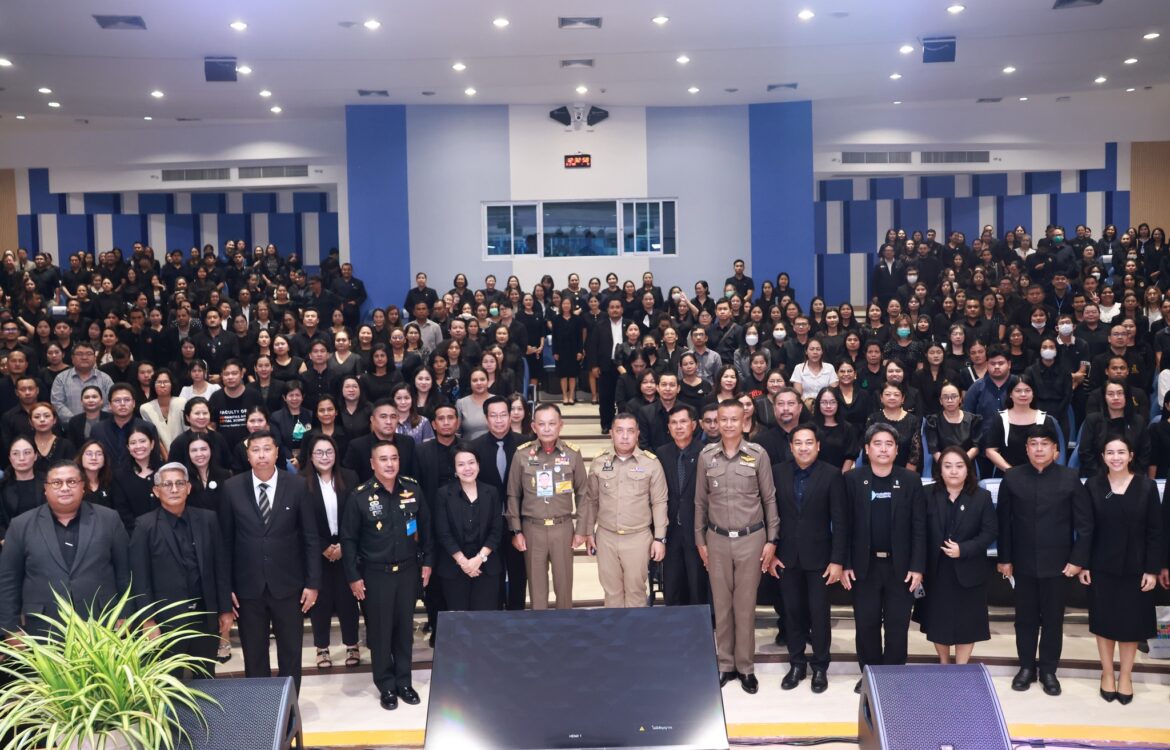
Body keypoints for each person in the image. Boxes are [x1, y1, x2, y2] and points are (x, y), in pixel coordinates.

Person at [996, 423, 1093, 696]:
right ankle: (1026, 667)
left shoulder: (1070, 478)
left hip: (1059, 565)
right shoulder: (1012, 478)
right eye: (1034, 444)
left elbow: (1085, 525)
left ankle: (1049, 670)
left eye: (1045, 444)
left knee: (1053, 619)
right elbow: (1004, 523)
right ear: (1026, 449)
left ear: (1056, 450)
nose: (1039, 449)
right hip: (1022, 563)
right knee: (1024, 619)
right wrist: (1005, 558)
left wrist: (1078, 560)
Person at [220, 430, 320, 692]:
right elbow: (225, 543)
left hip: (289, 585)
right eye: (255, 450)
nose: (261, 455)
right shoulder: (232, 488)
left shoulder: (297, 485)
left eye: (267, 449)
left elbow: (310, 537)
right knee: (254, 654)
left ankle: (289, 705)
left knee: (291, 652)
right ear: (248, 455)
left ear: (277, 452)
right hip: (248, 588)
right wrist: (227, 587)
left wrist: (313, 583)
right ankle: (260, 705)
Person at [694, 399, 779, 694]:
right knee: (721, 604)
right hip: (716, 540)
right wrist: (700, 540)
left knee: (744, 606)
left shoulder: (758, 455)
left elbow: (769, 499)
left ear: (744, 422)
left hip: (751, 539)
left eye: (734, 419)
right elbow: (700, 503)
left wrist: (771, 540)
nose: (728, 424)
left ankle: (745, 667)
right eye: (723, 419)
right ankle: (725, 664)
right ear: (716, 422)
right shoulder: (706, 456)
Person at [342, 440, 433, 711]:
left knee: (405, 630)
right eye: (383, 459)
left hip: (407, 571)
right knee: (380, 632)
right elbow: (348, 540)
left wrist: (428, 562)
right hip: (375, 575)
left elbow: (426, 528)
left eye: (394, 458)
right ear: (373, 464)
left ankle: (404, 682)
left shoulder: (413, 489)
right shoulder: (360, 496)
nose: (390, 463)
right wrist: (353, 577)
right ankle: (386, 685)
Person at [841, 423, 926, 694]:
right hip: (863, 566)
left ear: (897, 450)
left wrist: (917, 566)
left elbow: (919, 527)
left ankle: (893, 675)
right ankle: (870, 674)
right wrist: (845, 563)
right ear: (866, 449)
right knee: (866, 624)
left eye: (889, 444)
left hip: (900, 567)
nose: (883, 449)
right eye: (877, 443)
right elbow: (844, 526)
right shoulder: (852, 479)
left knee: (897, 625)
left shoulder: (910, 481)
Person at [0, 461, 130, 638]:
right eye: (56, 483)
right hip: (42, 629)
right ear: (45, 489)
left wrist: (126, 614)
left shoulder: (109, 519)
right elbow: (8, 580)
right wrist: (10, 630)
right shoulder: (20, 525)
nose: (64, 488)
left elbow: (125, 572)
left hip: (103, 624)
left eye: (72, 482)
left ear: (83, 487)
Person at [1079, 436, 1163, 705]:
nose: (1116, 457)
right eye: (1110, 452)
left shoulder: (1147, 487)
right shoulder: (1093, 485)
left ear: (1131, 455)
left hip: (1136, 568)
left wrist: (1152, 570)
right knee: (1103, 622)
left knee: (1131, 624)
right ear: (1103, 457)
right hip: (1101, 567)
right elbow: (1086, 529)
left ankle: (1126, 675)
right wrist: (1084, 563)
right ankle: (1107, 673)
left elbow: (1156, 532)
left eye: (1121, 452)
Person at [128, 462, 232, 675]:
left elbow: (220, 568)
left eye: (179, 483)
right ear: (157, 491)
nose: (174, 489)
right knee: (168, 682)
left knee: (206, 676)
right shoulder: (144, 525)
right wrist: (148, 620)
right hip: (166, 621)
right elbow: (140, 577)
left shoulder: (208, 519)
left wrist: (225, 609)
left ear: (189, 488)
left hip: (205, 617)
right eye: (167, 484)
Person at [768, 424, 846, 693]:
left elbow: (840, 521)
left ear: (818, 446)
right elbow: (770, 515)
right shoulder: (777, 472)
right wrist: (772, 552)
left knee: (819, 614)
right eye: (798, 443)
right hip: (786, 557)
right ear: (791, 447)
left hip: (821, 559)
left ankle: (820, 666)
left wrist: (837, 560)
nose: (804, 448)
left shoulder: (832, 475)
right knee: (792, 613)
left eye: (809, 442)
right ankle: (797, 664)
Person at [578, 413, 668, 608]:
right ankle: (615, 629)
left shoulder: (651, 463)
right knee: (612, 592)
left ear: (637, 434)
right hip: (606, 537)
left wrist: (660, 538)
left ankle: (635, 629)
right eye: (619, 431)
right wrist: (589, 532)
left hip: (638, 537)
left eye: (630, 431)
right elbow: (591, 500)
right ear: (611, 433)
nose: (625, 436)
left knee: (636, 591)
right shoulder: (599, 462)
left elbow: (659, 502)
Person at [505, 403, 588, 610]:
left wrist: (581, 530)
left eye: (552, 423)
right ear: (534, 427)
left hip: (563, 527)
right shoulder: (522, 454)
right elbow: (513, 495)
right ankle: (540, 627)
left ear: (561, 425)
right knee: (537, 589)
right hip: (532, 529)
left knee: (564, 586)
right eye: (542, 424)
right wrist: (516, 531)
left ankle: (564, 626)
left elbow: (583, 494)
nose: (547, 428)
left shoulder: (572, 454)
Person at [920, 447, 997, 664]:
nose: (953, 471)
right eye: (948, 466)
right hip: (937, 569)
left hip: (969, 569)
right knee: (939, 622)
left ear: (967, 469)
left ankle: (961, 667)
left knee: (967, 623)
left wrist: (964, 549)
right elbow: (918, 531)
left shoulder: (981, 496)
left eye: (959, 466)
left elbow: (990, 532)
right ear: (940, 470)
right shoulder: (927, 494)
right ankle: (944, 664)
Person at [302, 434, 362, 670]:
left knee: (348, 599)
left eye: (329, 452)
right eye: (319, 452)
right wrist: (323, 546)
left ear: (336, 454)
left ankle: (352, 644)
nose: (324, 457)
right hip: (317, 551)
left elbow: (356, 515)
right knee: (321, 601)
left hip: (346, 547)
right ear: (310, 456)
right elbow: (302, 522)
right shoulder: (301, 481)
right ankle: (322, 647)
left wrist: (344, 545)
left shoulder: (350, 477)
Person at [433, 443, 504, 614]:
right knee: (459, 621)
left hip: (486, 567)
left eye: (471, 462)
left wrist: (479, 559)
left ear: (478, 464)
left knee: (484, 620)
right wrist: (464, 562)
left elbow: (496, 531)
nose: (467, 468)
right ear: (454, 469)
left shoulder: (491, 492)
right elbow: (443, 532)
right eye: (461, 464)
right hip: (454, 568)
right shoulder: (443, 494)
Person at [470, 396, 526, 610]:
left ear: (511, 416)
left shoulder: (526, 444)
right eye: (493, 415)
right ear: (486, 418)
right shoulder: (474, 448)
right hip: (487, 524)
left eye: (503, 414)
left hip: (519, 523)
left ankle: (517, 616)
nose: (499, 420)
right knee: (492, 575)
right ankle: (495, 618)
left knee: (519, 573)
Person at [656, 404, 709, 607]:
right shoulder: (661, 454)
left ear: (694, 425)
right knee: (672, 585)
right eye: (674, 423)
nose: (678, 427)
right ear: (668, 427)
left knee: (697, 585)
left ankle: (699, 624)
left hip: (697, 530)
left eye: (683, 422)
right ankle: (674, 623)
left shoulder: (706, 453)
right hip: (670, 530)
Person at [588, 298, 631, 433]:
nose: (615, 310)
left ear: (622, 309)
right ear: (607, 310)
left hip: (625, 366)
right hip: (606, 365)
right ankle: (606, 424)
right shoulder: (599, 325)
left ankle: (625, 424)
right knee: (606, 397)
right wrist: (594, 365)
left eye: (617, 307)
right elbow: (592, 346)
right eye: (612, 307)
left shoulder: (629, 324)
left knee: (625, 397)